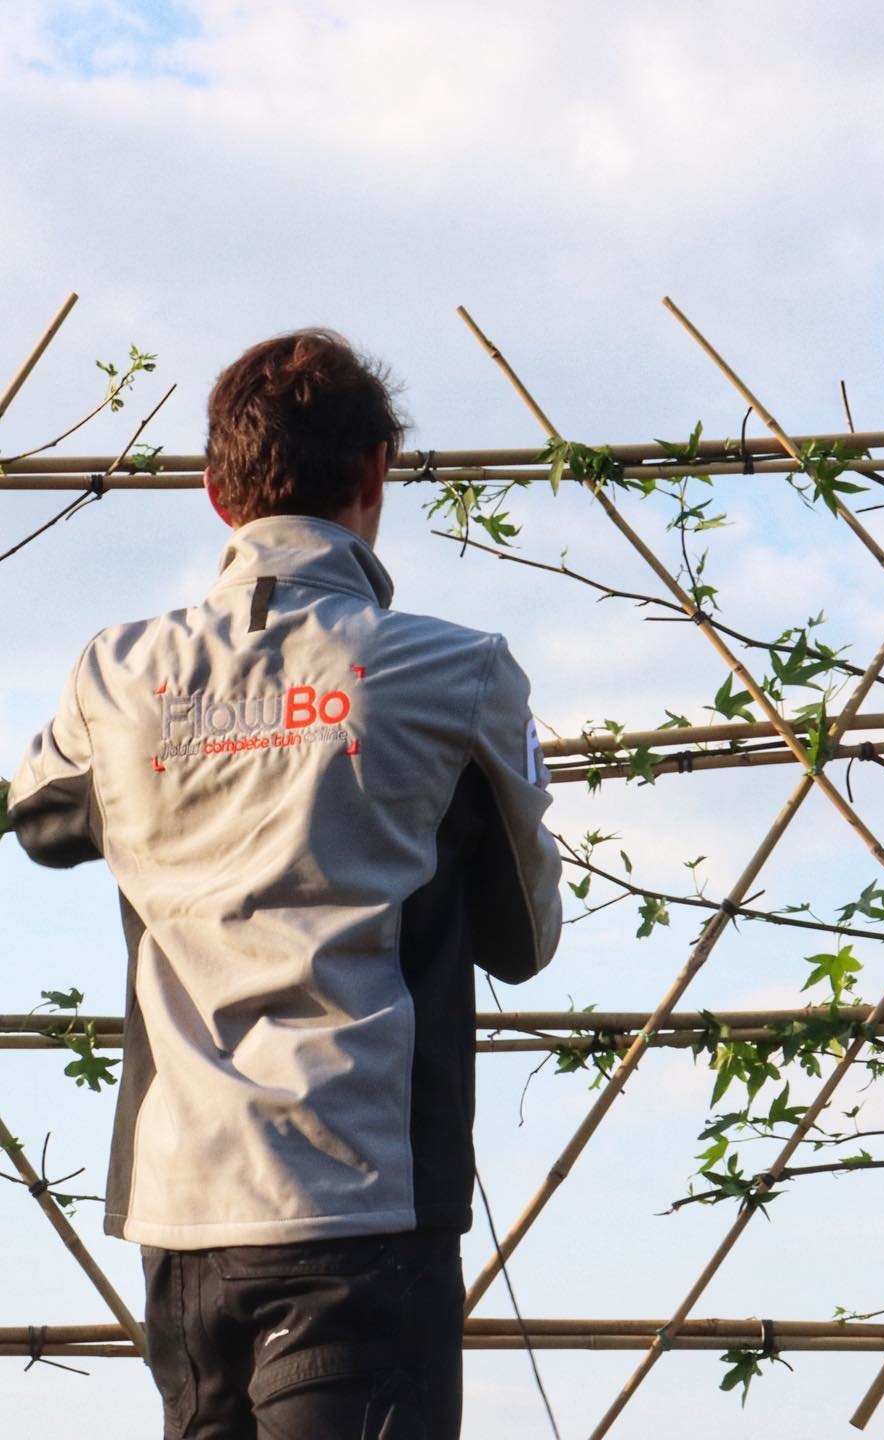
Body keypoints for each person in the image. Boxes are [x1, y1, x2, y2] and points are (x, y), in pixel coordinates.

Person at [7, 330, 563, 1438]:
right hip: (360, 1199)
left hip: (183, 1211)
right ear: (377, 472)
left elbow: (42, 817)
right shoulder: (458, 673)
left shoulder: (116, 675)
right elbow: (522, 934)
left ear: (218, 494)